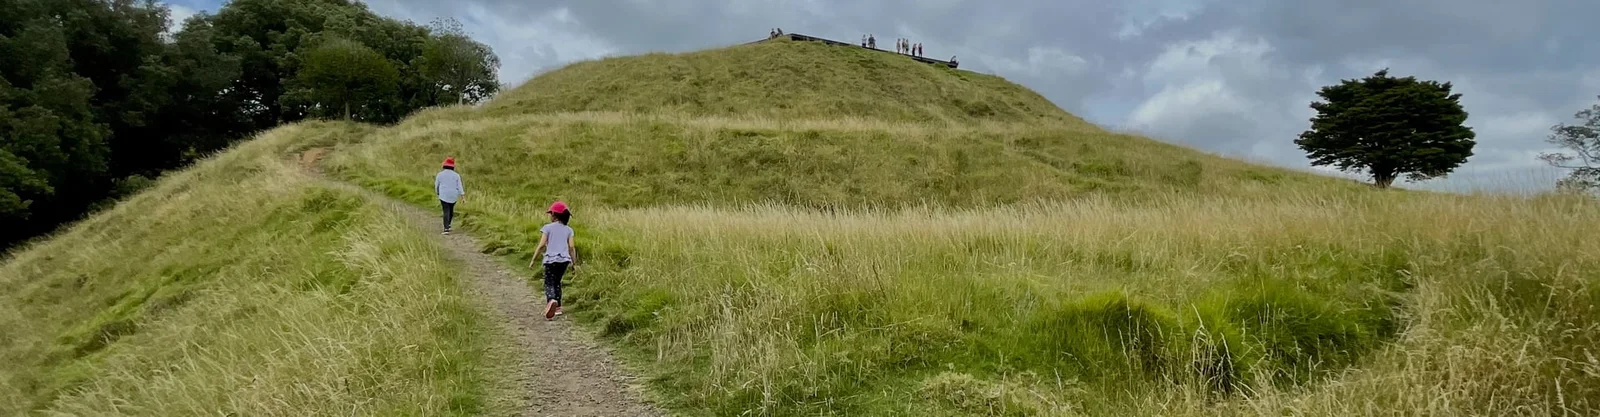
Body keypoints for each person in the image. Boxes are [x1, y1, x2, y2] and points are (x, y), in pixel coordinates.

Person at [530, 201, 578, 320]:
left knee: (549, 282)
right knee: (557, 282)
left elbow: (541, 246)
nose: (550, 216)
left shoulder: (547, 228)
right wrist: (574, 263)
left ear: (555, 215)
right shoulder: (569, 230)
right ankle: (558, 307)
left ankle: (551, 300)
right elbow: (571, 247)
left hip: (551, 260)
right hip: (564, 261)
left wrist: (533, 260)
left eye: (551, 213)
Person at [434, 157, 464, 234]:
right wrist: (462, 196)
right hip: (454, 195)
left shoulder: (440, 174)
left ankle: (446, 228)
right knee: (451, 210)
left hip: (443, 194)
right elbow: (459, 186)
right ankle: (449, 225)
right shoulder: (456, 175)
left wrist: (437, 192)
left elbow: (437, 185)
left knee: (446, 210)